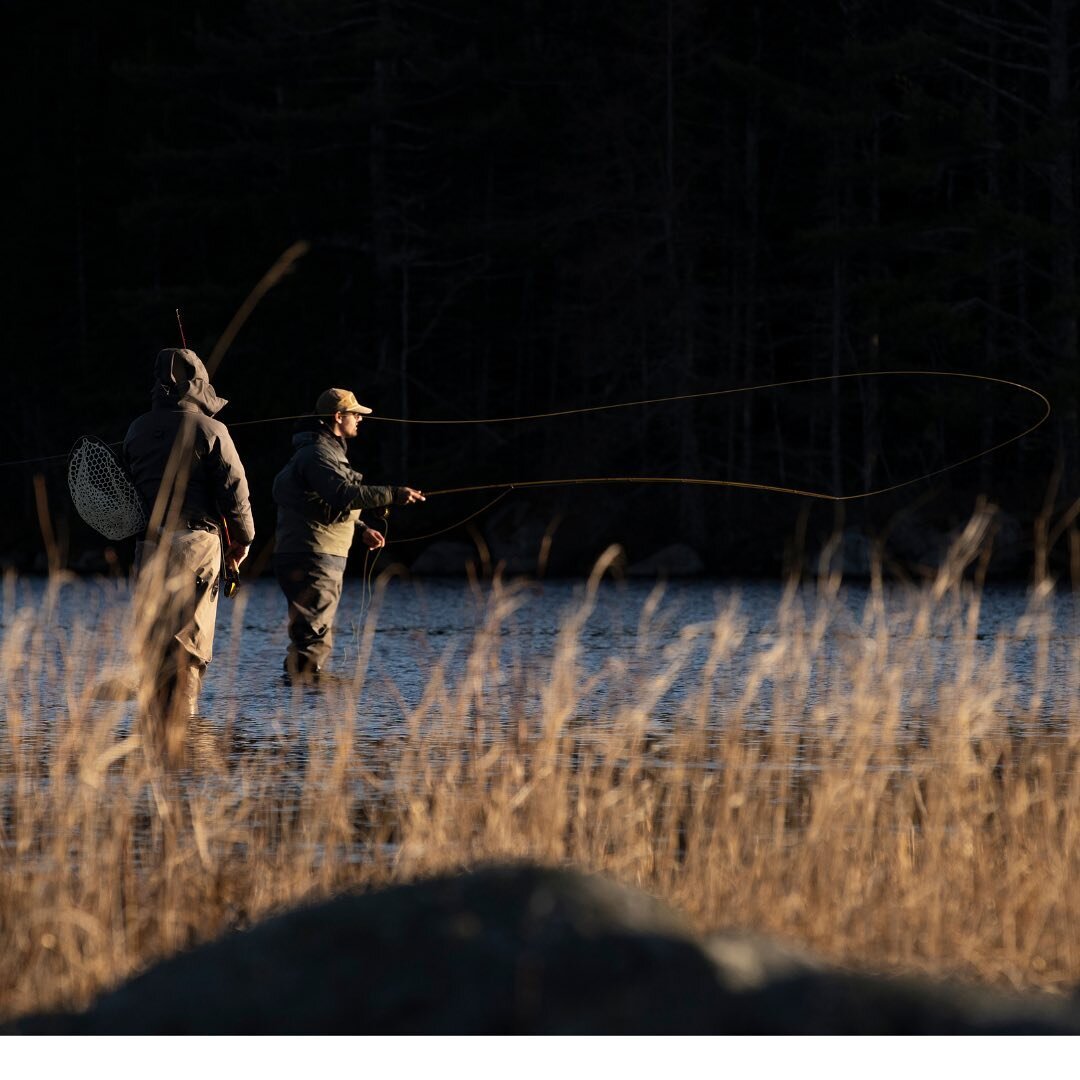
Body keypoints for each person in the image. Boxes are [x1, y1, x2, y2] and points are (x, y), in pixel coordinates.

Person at [123, 347, 255, 754]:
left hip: (148, 547)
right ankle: (184, 732)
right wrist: (243, 541)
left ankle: (153, 734)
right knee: (189, 645)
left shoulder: (136, 429)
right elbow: (236, 492)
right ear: (199, 382)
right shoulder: (212, 430)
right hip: (196, 544)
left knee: (156, 643)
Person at [272, 387, 424, 682]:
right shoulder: (318, 455)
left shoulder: (321, 453)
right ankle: (304, 713)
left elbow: (321, 504)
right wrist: (393, 494)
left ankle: (303, 702)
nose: (360, 419)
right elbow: (342, 494)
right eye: (355, 414)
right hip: (313, 556)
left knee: (312, 633)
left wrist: (362, 528)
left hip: (312, 553)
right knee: (312, 638)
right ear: (338, 416)